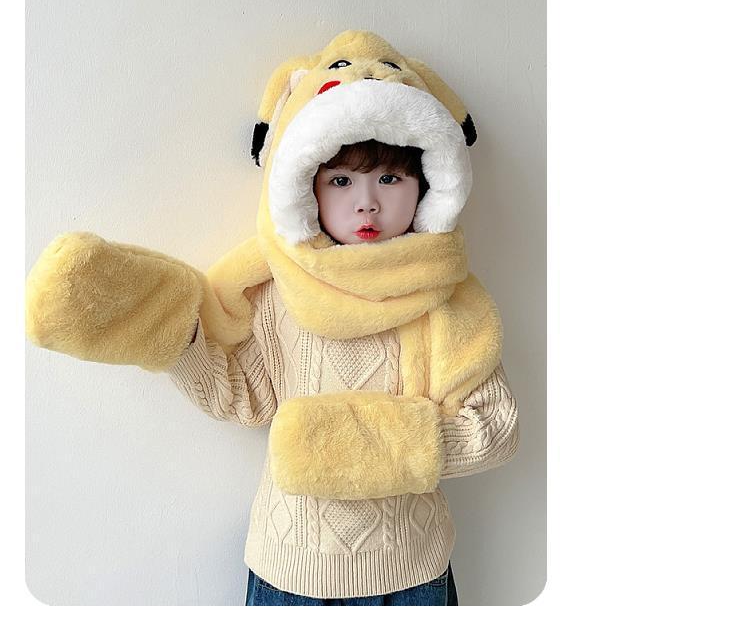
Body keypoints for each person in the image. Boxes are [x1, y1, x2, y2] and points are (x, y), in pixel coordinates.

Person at [25, 31, 519, 606]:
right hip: (288, 571)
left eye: (389, 178)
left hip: (413, 574)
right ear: (306, 186)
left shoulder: (446, 302)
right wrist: (167, 332)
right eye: (341, 180)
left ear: (427, 184)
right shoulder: (279, 293)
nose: (366, 202)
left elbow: (496, 428)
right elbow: (245, 397)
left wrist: (354, 446)